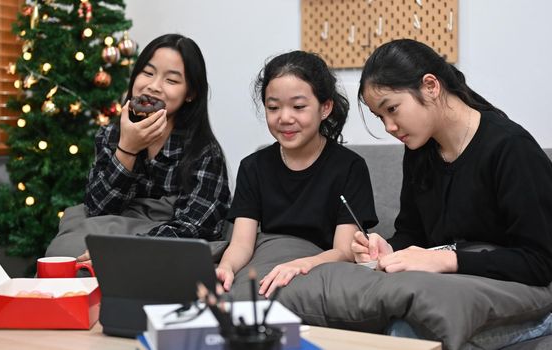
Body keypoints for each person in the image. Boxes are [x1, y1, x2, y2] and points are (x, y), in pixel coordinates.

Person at [353, 38, 552, 343]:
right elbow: (413, 233)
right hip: (455, 292)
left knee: (410, 334)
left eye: (392, 109)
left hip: (523, 294)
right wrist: (390, 249)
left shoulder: (510, 149)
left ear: (430, 86)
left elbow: (539, 262)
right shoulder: (419, 149)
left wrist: (448, 260)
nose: (389, 127)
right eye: (381, 117)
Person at [45, 34, 231, 261]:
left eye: (171, 81)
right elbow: (97, 210)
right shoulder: (110, 135)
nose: (153, 87)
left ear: (190, 93)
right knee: (63, 250)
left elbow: (198, 227)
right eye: (148, 73)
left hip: (159, 251)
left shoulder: (204, 151)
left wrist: (128, 250)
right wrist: (127, 148)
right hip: (110, 232)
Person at [216, 51, 378, 298]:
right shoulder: (253, 166)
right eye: (273, 107)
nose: (284, 118)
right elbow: (241, 243)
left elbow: (344, 251)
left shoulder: (349, 167)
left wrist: (304, 264)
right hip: (268, 267)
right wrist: (226, 268)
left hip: (321, 275)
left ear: (325, 108)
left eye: (298, 106)